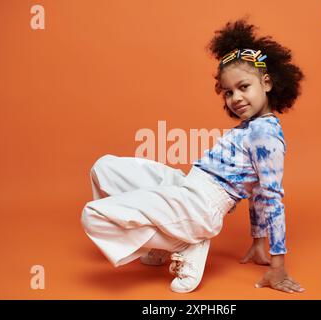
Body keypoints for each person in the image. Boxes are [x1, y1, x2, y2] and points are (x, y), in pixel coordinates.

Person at [81, 17, 305, 294]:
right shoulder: (251, 127)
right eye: (228, 92)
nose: (235, 98)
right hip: (187, 184)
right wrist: (258, 241)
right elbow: (256, 189)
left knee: (92, 216)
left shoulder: (266, 135)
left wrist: (277, 265)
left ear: (267, 84)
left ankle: (186, 242)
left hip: (202, 203)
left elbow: (270, 197)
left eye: (243, 87)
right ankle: (176, 236)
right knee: (103, 168)